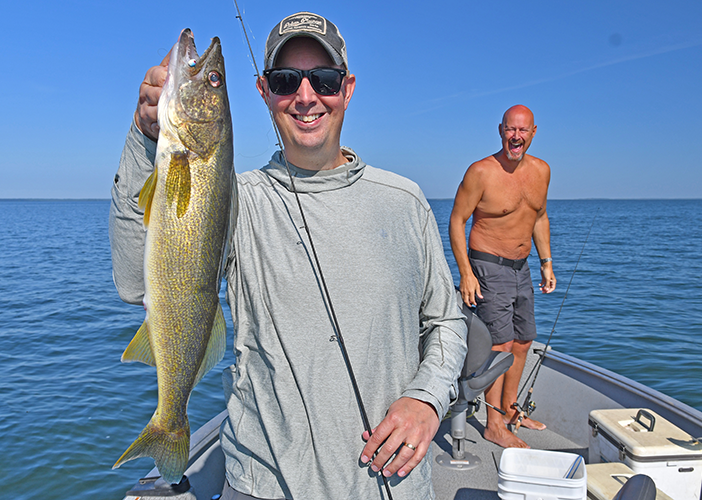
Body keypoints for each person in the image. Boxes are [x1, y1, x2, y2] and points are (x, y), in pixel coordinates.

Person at [109, 11, 467, 500]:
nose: (305, 96)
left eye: (323, 79)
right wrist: (144, 137)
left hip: (393, 486)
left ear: (348, 88)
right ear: (262, 90)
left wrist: (426, 401)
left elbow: (446, 322)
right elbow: (135, 281)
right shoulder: (234, 202)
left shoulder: (405, 201)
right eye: (285, 80)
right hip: (261, 486)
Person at [448, 105, 556, 449]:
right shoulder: (481, 172)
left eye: (523, 131)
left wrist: (546, 261)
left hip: (521, 268)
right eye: (511, 129)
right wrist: (466, 272)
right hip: (488, 266)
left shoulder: (542, 171)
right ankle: (494, 423)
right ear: (500, 130)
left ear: (534, 133)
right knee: (501, 344)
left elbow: (539, 217)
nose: (516, 136)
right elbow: (456, 221)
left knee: (524, 342)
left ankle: (510, 412)